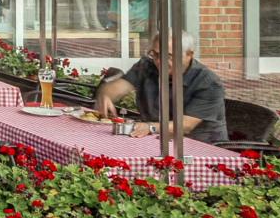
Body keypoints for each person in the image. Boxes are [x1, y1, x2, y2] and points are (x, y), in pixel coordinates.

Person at [94, 31, 227, 144]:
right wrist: (106, 94)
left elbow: (185, 125)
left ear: (188, 55)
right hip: (155, 142)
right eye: (156, 54)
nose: (159, 61)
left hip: (201, 150)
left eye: (168, 56)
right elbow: (119, 86)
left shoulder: (208, 83)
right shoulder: (147, 66)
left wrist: (150, 127)